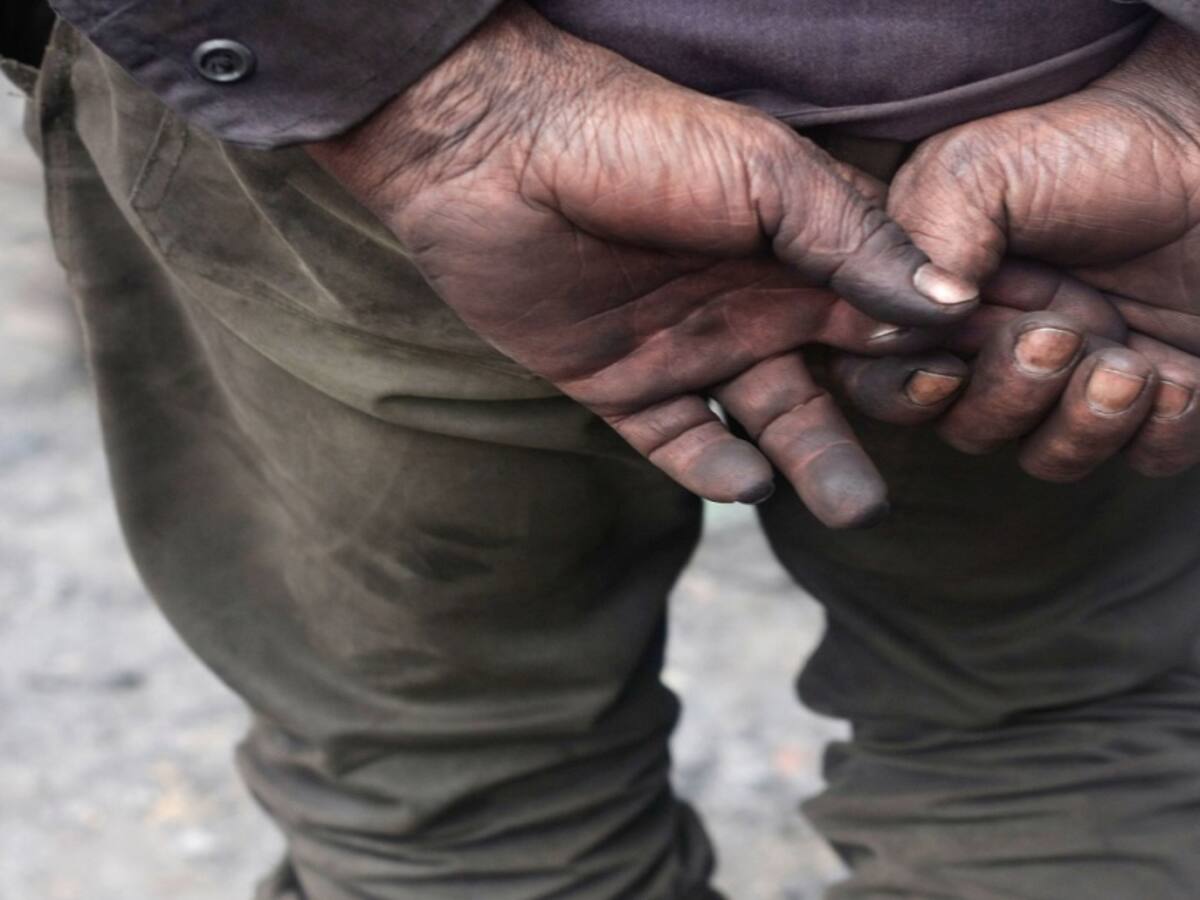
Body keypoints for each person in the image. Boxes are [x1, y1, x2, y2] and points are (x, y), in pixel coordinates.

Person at [5, 1, 1200, 896]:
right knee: (1061, 727)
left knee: (463, 802)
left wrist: (422, 95)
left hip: (326, 116)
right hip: (1030, 89)